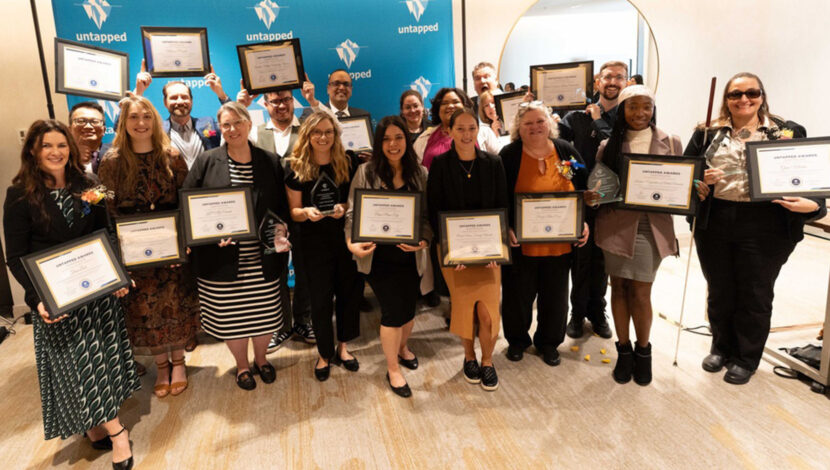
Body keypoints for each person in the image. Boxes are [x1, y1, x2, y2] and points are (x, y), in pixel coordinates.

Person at [4, 120, 139, 470]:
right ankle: (118, 432)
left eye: (61, 145)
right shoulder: (18, 195)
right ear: (33, 150)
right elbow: (16, 256)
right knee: (77, 365)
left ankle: (96, 426)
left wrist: (118, 275)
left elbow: (105, 232)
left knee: (100, 362)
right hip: (57, 300)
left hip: (96, 292)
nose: (55, 152)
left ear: (70, 148)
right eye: (47, 145)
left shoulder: (91, 185)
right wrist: (36, 300)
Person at [685, 72, 826, 385]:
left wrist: (816, 205)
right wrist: (698, 183)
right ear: (726, 98)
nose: (743, 99)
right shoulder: (707, 133)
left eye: (751, 93)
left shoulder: (787, 131)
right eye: (736, 94)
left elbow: (809, 172)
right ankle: (721, 347)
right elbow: (686, 174)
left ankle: (746, 357)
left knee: (755, 291)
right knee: (720, 289)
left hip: (766, 223)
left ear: (762, 96)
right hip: (717, 219)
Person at [593, 85, 708, 386]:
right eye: (633, 107)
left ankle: (644, 351)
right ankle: (623, 349)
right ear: (622, 110)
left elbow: (681, 184)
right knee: (617, 287)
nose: (640, 113)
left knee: (641, 292)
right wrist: (594, 195)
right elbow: (602, 189)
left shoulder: (671, 141)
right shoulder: (609, 145)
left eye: (646, 106)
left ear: (653, 108)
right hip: (616, 224)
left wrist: (694, 191)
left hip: (651, 226)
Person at [182, 102, 290, 391]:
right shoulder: (206, 161)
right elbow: (189, 203)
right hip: (221, 257)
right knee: (233, 318)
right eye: (226, 124)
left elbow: (281, 206)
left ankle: (262, 359)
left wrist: (281, 231)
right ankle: (243, 366)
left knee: (264, 313)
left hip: (262, 256)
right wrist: (206, 234)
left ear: (249, 124)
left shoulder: (270, 160)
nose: (232, 129)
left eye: (237, 122)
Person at [98, 95, 201, 398]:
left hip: (170, 248)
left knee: (175, 304)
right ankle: (162, 366)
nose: (140, 123)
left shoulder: (172, 155)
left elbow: (185, 201)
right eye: (133, 118)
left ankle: (179, 362)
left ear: (155, 120)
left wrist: (183, 243)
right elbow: (108, 211)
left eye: (146, 117)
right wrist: (119, 256)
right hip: (134, 252)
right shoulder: (111, 161)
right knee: (145, 310)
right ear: (123, 123)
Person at [345, 116, 432, 397]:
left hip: (410, 255)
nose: (393, 144)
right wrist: (351, 243)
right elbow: (351, 213)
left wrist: (424, 240)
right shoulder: (366, 172)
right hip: (378, 257)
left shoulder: (420, 173)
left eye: (398, 137)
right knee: (393, 313)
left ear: (407, 140)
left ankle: (403, 347)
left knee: (409, 310)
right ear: (378, 142)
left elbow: (429, 216)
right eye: (386, 138)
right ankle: (392, 368)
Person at [500, 102, 590, 365]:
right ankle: (517, 341)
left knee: (556, 299)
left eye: (540, 121)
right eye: (528, 123)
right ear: (519, 128)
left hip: (559, 245)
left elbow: (584, 191)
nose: (535, 127)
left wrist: (582, 222)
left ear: (550, 124)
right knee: (518, 298)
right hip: (522, 245)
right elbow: (499, 195)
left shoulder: (566, 151)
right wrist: (506, 227)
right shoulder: (509, 155)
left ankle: (549, 343)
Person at [427, 108, 508, 391]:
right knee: (464, 307)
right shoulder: (439, 164)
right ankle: (469, 357)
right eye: (459, 128)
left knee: (487, 311)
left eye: (471, 128)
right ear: (449, 131)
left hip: (489, 252)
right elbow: (433, 209)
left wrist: (496, 250)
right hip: (454, 252)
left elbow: (502, 206)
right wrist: (451, 252)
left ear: (478, 130)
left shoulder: (493, 163)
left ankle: (487, 360)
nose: (466, 134)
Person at [285, 110, 363, 382]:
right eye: (317, 132)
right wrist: (306, 212)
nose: (323, 137)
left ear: (336, 135)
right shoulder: (295, 166)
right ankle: (324, 353)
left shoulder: (347, 161)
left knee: (348, 294)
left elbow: (355, 200)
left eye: (328, 132)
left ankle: (344, 347)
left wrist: (344, 207)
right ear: (307, 134)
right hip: (311, 243)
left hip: (343, 240)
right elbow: (292, 211)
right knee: (319, 300)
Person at [237, 86, 316, 350]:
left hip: (303, 210)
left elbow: (335, 131)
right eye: (274, 102)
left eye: (285, 100)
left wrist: (314, 101)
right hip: (268, 214)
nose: (281, 105)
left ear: (293, 101)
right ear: (266, 105)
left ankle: (303, 320)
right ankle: (281, 326)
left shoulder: (307, 127)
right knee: (277, 271)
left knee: (305, 267)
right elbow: (231, 138)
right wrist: (242, 107)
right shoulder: (256, 133)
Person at [557, 60, 631, 340]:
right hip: (580, 201)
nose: (613, 82)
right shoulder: (574, 118)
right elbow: (559, 155)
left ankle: (597, 311)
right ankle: (577, 314)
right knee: (581, 260)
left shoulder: (630, 119)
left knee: (602, 261)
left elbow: (619, 151)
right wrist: (570, 182)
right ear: (597, 82)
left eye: (619, 78)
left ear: (626, 83)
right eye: (608, 77)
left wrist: (599, 120)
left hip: (612, 203)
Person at [134, 60, 229, 168]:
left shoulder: (208, 123)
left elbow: (235, 122)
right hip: (173, 184)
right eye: (173, 98)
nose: (180, 102)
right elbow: (121, 127)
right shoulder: (157, 129)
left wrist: (221, 95)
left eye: (184, 97)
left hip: (209, 184)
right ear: (165, 103)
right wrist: (138, 93)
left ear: (191, 101)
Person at [414, 87, 501, 168]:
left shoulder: (484, 132)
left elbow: (498, 162)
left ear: (465, 106)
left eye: (455, 102)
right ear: (438, 109)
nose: (450, 106)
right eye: (444, 103)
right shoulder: (423, 139)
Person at [68, 101, 108, 173]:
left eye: (95, 121)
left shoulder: (119, 154)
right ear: (69, 129)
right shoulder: (61, 156)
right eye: (81, 121)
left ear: (104, 130)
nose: (88, 126)